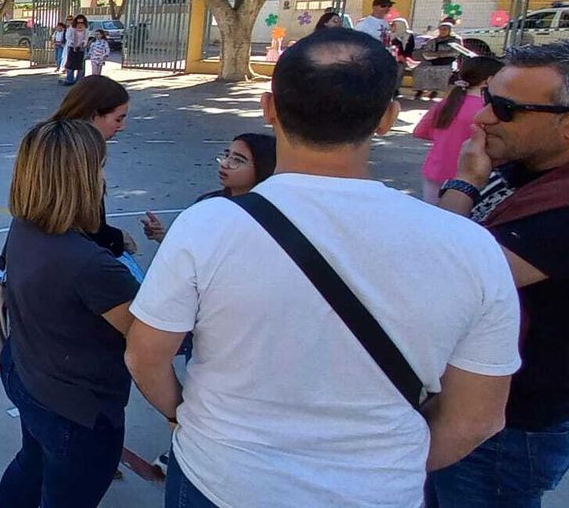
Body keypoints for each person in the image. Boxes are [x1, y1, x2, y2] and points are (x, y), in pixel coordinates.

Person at [125, 29, 519, 508]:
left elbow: (145, 354)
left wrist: (183, 417)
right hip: (378, 492)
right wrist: (382, 465)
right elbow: (478, 417)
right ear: (387, 118)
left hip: (221, 478)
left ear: (269, 109)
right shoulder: (472, 249)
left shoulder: (208, 226)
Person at [430, 41, 569, 507]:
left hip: (511, 427)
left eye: (506, 109)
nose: (483, 118)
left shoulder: (560, 210)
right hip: (477, 402)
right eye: (489, 99)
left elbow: (444, 275)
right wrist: (468, 179)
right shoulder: (521, 169)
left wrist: (466, 184)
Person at [0, 119, 139, 508]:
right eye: (99, 167)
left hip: (28, 375)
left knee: (31, 465)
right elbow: (151, 342)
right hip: (77, 410)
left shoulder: (24, 226)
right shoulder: (91, 266)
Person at [49, 75, 132, 256]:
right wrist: (119, 239)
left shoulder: (46, 141)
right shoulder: (79, 158)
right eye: (118, 119)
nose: (122, 127)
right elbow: (90, 229)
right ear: (93, 116)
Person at [141, 133, 277, 243]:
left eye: (237, 160)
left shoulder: (269, 216)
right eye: (226, 155)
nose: (225, 164)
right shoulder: (207, 203)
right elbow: (190, 252)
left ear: (262, 167)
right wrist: (163, 238)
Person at [413, 56, 504, 203]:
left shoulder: (446, 103)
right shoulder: (489, 110)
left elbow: (420, 131)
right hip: (470, 178)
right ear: (490, 80)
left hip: (435, 171)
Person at [413, 19, 463, 99]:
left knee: (442, 70)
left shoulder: (456, 40)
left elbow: (456, 52)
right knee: (420, 69)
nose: (442, 31)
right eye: (441, 29)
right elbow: (426, 51)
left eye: (445, 29)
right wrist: (435, 55)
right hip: (433, 60)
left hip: (449, 61)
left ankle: (435, 91)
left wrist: (440, 54)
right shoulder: (433, 40)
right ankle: (420, 90)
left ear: (450, 30)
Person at [63, 15, 90, 85]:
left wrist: (83, 43)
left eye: (82, 23)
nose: (80, 24)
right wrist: (73, 44)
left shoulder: (86, 29)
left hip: (81, 48)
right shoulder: (71, 28)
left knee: (81, 65)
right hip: (72, 47)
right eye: (78, 23)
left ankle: (79, 81)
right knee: (70, 65)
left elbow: (86, 38)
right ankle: (69, 80)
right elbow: (68, 37)